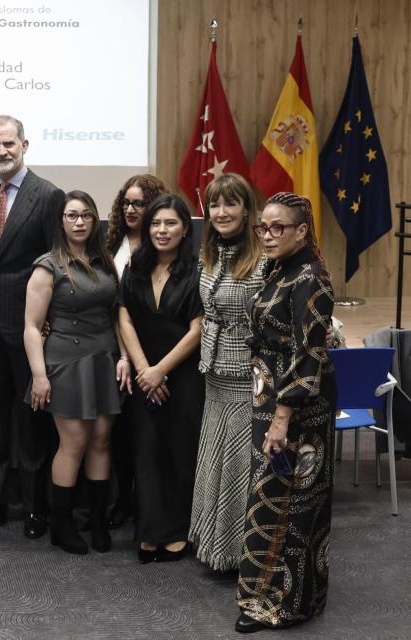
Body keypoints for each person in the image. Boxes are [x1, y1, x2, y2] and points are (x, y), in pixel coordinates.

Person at [235, 193, 336, 633]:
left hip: (296, 405)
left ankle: (281, 604)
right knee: (277, 495)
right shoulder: (280, 269)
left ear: (301, 230)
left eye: (279, 227)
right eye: (264, 227)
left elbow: (308, 354)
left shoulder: (310, 279)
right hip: (271, 396)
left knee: (287, 500)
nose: (268, 235)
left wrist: (281, 417)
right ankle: (282, 593)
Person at [0, 114, 65, 539]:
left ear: (25, 144)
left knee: (31, 419)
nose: (1, 152)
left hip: (29, 328)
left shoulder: (48, 195)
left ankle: (35, 508)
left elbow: (57, 262)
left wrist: (49, 325)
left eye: (8, 144)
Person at [24, 191, 128, 554]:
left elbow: (117, 316)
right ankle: (62, 523)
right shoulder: (47, 265)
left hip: (104, 359)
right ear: (61, 222)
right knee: (74, 443)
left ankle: (98, 521)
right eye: (72, 215)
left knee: (101, 439)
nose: (79, 221)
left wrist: (125, 356)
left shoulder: (105, 262)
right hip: (64, 363)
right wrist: (39, 375)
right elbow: (32, 327)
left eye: (86, 215)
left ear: (95, 219)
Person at [118, 194, 204, 564]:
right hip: (144, 375)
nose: (162, 230)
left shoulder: (199, 270)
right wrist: (143, 370)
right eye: (155, 223)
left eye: (170, 223)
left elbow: (198, 328)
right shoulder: (134, 267)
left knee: (179, 450)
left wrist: (161, 370)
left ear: (185, 228)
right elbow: (123, 317)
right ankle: (150, 530)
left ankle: (177, 530)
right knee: (146, 451)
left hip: (182, 375)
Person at [188, 173, 266, 572]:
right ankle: (212, 542)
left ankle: (237, 552)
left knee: (239, 463)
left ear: (247, 209)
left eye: (230, 204)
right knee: (215, 457)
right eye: (214, 205)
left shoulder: (265, 260)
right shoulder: (213, 252)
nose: (221, 212)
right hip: (214, 373)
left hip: (246, 378)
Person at [104, 174, 167, 529]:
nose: (130, 209)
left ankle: (152, 502)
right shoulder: (113, 242)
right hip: (114, 348)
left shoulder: (162, 244)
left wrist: (133, 357)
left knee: (151, 432)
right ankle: (124, 499)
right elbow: (114, 304)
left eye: (139, 203)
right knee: (121, 432)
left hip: (153, 350)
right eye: (126, 202)